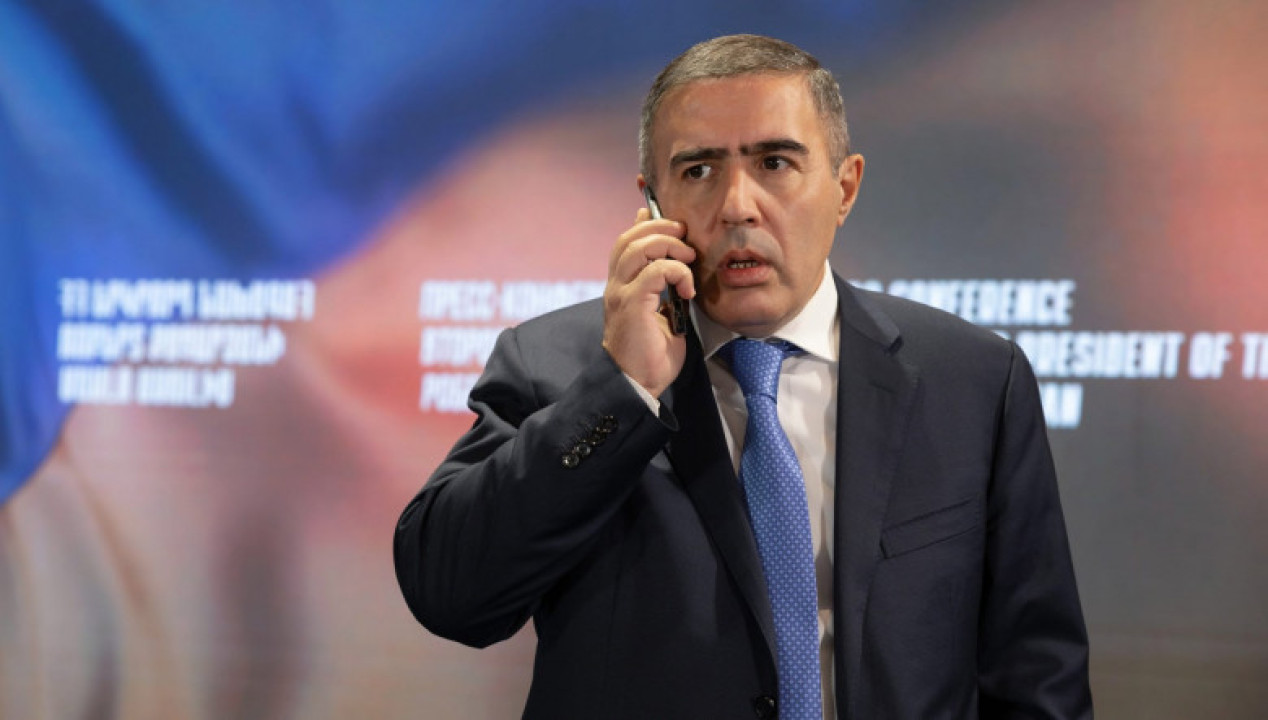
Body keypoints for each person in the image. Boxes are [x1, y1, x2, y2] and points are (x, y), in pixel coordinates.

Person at [395, 34, 1092, 719]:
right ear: (651, 204)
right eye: (699, 170)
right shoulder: (553, 365)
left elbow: (1038, 676)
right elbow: (450, 596)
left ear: (844, 187)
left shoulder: (971, 379)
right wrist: (623, 389)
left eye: (775, 163)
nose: (737, 205)